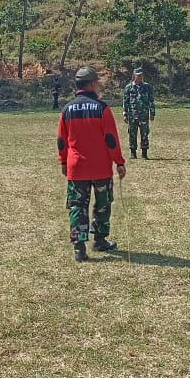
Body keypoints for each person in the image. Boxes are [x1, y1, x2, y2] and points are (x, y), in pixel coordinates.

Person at [57, 66, 127, 262]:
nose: (98, 86)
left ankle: (79, 248)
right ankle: (100, 240)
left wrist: (63, 161)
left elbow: (61, 140)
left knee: (77, 206)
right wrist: (119, 162)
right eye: (96, 82)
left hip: (76, 167)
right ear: (90, 84)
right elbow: (111, 139)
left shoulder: (66, 110)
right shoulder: (102, 109)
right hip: (100, 168)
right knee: (103, 204)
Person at [122, 67, 156, 159]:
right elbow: (125, 101)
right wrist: (125, 114)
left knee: (144, 133)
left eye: (141, 75)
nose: (140, 77)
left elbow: (151, 100)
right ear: (134, 76)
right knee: (132, 133)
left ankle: (144, 153)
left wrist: (152, 113)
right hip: (132, 115)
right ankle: (133, 153)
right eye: (138, 76)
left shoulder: (147, 87)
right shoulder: (129, 87)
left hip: (144, 115)